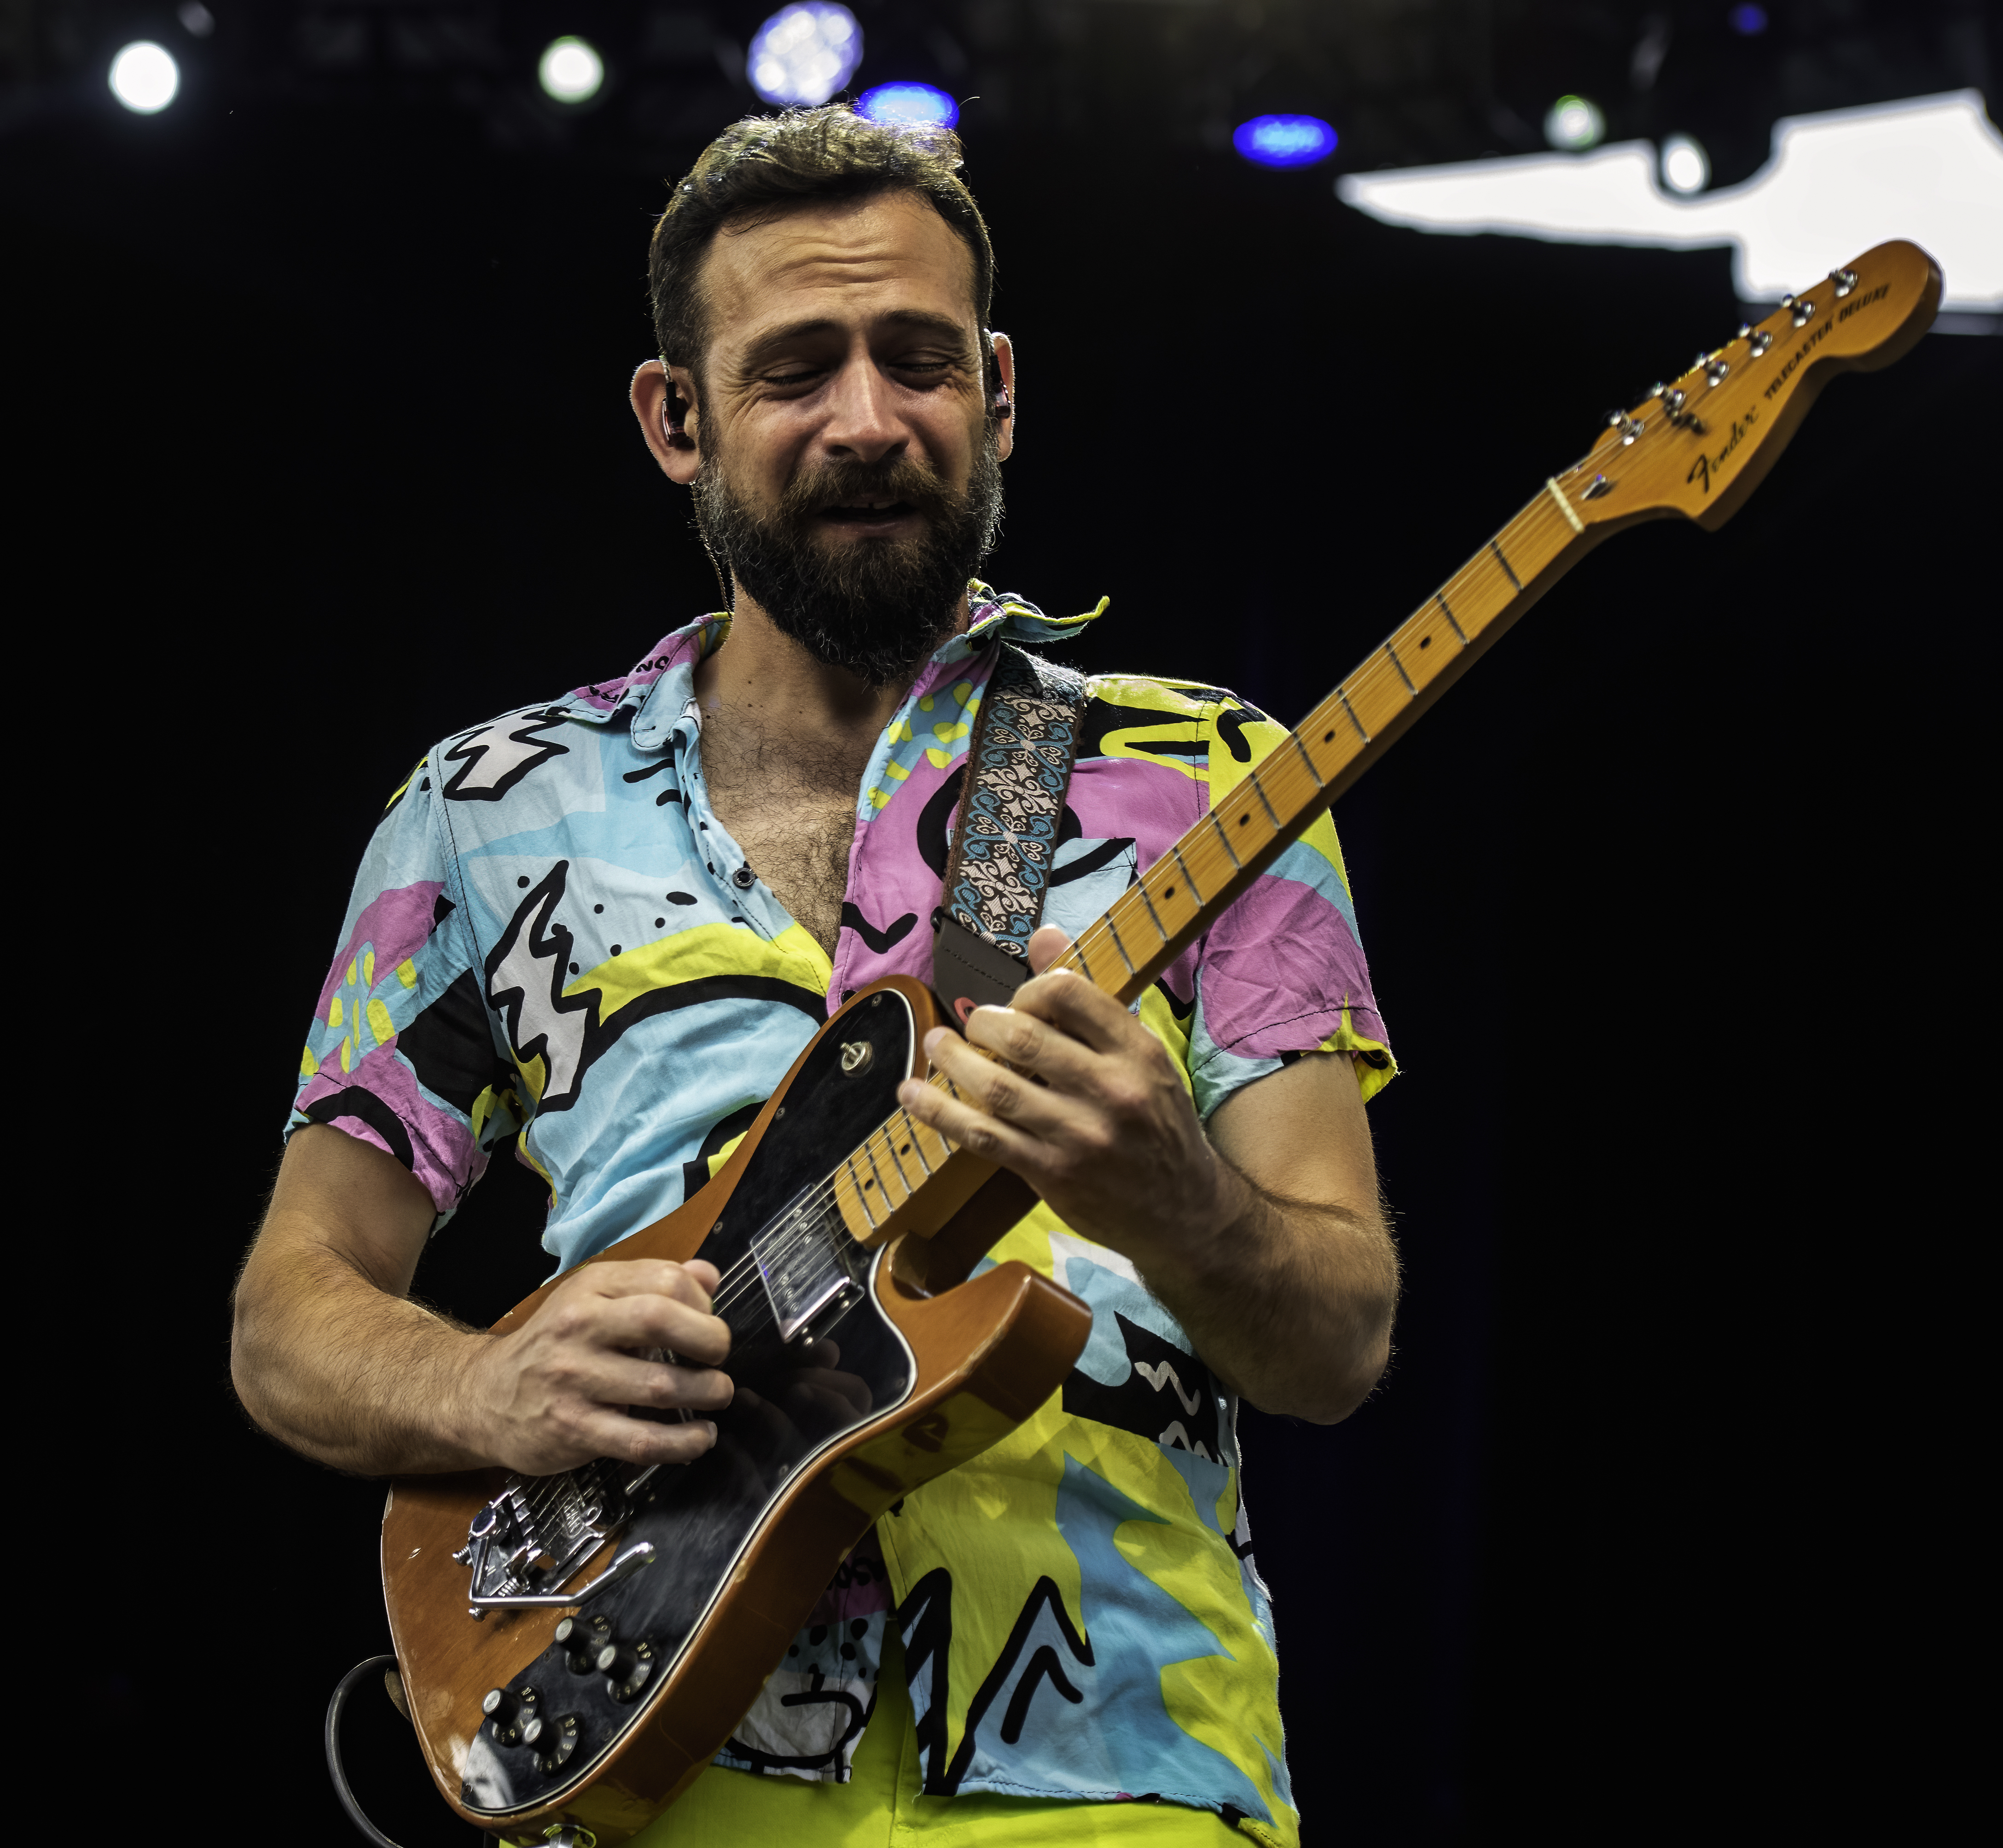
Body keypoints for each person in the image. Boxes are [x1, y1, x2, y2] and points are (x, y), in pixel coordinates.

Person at [232, 105, 1399, 1848]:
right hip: (653, 1773)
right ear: (676, 420)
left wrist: (1185, 1206)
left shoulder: (1220, 777)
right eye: (794, 372)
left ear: (998, 390)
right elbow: (285, 1317)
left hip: (1125, 1784)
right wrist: (487, 1386)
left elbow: (1341, 1343)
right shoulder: (483, 814)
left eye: (917, 359)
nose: (868, 420)